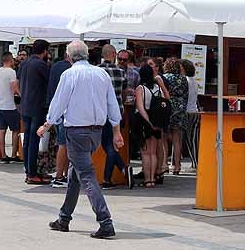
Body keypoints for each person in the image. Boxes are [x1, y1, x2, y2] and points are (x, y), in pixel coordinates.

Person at [41, 40, 123, 239]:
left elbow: (59, 101)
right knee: (75, 175)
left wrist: (47, 124)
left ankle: (105, 221)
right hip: (96, 133)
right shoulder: (101, 73)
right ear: (86, 55)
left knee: (85, 175)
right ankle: (64, 218)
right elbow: (112, 103)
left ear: (69, 57)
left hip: (77, 132)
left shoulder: (69, 74)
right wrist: (116, 131)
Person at [95, 45, 129, 188]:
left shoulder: (96, 71)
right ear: (114, 54)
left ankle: (108, 178)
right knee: (111, 144)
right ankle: (123, 170)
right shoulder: (121, 72)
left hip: (100, 112)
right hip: (117, 111)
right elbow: (124, 93)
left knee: (107, 145)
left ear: (103, 55)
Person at [19, 39, 51, 184]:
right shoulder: (41, 65)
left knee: (27, 140)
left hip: (25, 105)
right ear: (44, 51)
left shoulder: (24, 63)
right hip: (37, 106)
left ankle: (28, 169)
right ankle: (32, 173)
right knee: (34, 140)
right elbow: (48, 83)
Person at [134, 64, 165, 188]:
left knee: (145, 153)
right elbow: (163, 103)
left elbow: (140, 108)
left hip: (144, 121)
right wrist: (155, 123)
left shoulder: (140, 88)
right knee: (153, 153)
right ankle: (152, 179)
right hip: (157, 120)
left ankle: (147, 180)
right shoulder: (158, 87)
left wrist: (148, 122)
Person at [46, 49, 73, 188]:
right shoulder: (69, 69)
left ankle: (62, 174)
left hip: (56, 109)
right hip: (64, 110)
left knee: (63, 143)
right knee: (64, 144)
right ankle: (59, 176)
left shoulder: (56, 66)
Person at [0, 52, 20, 163]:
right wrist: (20, 94)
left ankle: (3, 155)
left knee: (2, 130)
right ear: (10, 60)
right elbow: (14, 86)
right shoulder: (11, 72)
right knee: (15, 130)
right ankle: (13, 154)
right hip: (10, 105)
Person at [162, 58, 189, 175]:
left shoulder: (165, 77)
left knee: (164, 139)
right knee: (177, 140)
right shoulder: (184, 79)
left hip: (167, 109)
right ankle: (177, 166)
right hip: (180, 110)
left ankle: (164, 164)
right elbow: (186, 95)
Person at [146, 57, 170, 178]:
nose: (148, 66)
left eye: (151, 64)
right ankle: (158, 169)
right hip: (157, 112)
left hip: (158, 112)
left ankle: (159, 169)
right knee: (157, 142)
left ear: (157, 67)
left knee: (158, 143)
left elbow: (166, 96)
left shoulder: (157, 78)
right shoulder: (152, 79)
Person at [181, 59, 201, 165]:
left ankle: (175, 162)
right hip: (195, 111)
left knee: (182, 138)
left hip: (186, 111)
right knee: (193, 138)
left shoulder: (184, 81)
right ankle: (196, 161)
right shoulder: (194, 80)